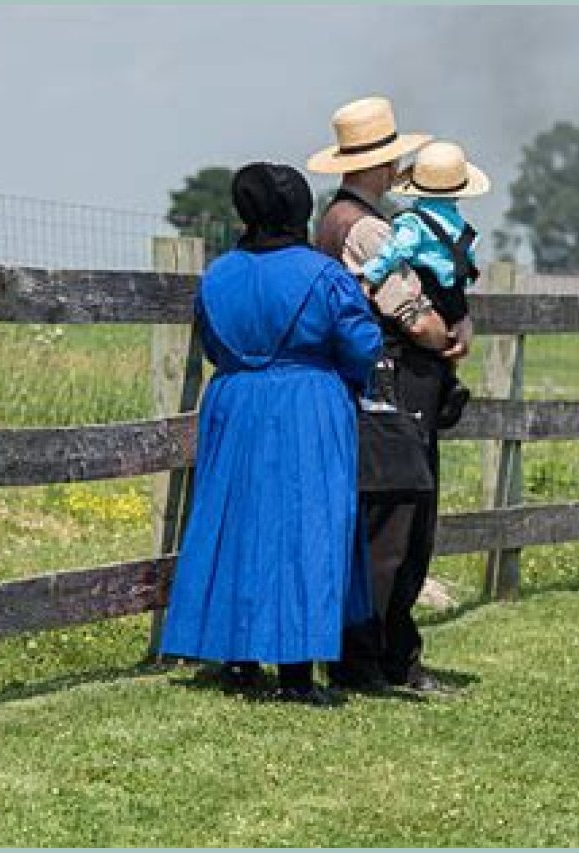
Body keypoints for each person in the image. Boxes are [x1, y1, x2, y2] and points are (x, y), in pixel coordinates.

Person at [159, 162, 382, 706]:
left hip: (235, 401)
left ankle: (237, 660)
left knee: (236, 521)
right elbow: (362, 346)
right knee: (307, 526)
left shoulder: (218, 276)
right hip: (309, 402)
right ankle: (297, 674)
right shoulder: (323, 275)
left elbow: (212, 345)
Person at [309, 95, 469, 694]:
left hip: (377, 379)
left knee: (388, 517)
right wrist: (446, 333)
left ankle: (381, 654)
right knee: (397, 521)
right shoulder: (370, 228)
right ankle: (372, 657)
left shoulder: (337, 218)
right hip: (394, 379)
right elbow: (410, 311)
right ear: (383, 164)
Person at [361, 140, 490, 428]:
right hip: (455, 293)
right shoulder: (460, 224)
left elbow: (398, 250)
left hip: (428, 287)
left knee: (427, 338)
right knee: (452, 343)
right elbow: (468, 259)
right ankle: (450, 380)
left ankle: (444, 386)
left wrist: (371, 274)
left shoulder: (412, 221)